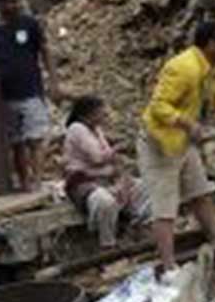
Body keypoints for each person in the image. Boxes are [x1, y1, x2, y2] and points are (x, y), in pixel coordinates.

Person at [140, 21, 215, 277]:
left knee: (200, 193)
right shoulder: (183, 67)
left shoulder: (212, 70)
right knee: (165, 207)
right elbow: (158, 107)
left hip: (183, 142)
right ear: (211, 43)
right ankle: (169, 268)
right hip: (161, 143)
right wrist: (187, 123)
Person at [0, 0, 59, 192]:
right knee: (16, 143)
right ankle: (24, 181)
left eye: (16, 0)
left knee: (35, 139)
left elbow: (44, 51)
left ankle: (38, 179)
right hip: (6, 95)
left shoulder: (30, 24)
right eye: (8, 1)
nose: (13, 5)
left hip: (31, 90)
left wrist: (53, 81)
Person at [63, 95, 151, 248]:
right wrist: (118, 149)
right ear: (88, 113)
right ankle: (107, 242)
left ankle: (137, 225)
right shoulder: (77, 129)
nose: (104, 115)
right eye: (100, 112)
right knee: (105, 202)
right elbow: (97, 157)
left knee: (147, 188)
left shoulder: (96, 129)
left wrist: (118, 174)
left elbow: (108, 157)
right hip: (84, 180)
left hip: (106, 176)